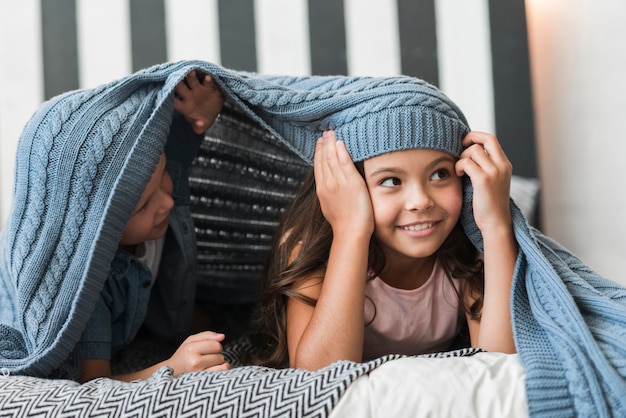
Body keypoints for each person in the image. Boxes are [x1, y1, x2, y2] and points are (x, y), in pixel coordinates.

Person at [253, 125, 518, 369]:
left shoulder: (468, 250)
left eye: (439, 174)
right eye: (391, 181)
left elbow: (500, 366)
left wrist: (496, 225)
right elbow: (317, 375)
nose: (420, 201)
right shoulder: (309, 249)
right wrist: (350, 230)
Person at [76, 70, 231, 382]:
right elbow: (93, 384)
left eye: (163, 175)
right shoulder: (88, 289)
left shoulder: (150, 169)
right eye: (144, 206)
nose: (167, 203)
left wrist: (201, 115)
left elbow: (176, 139)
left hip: (161, 312)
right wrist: (174, 367)